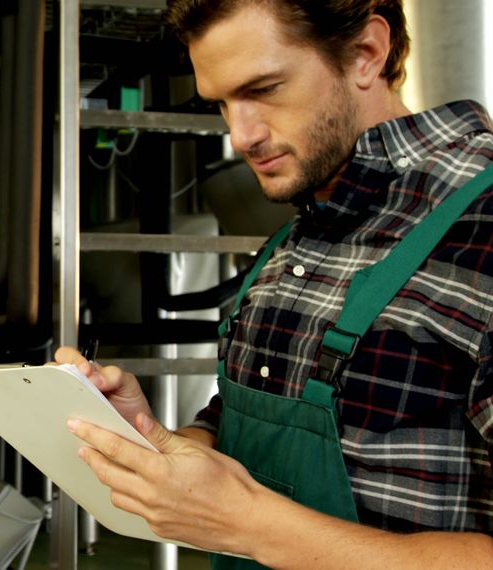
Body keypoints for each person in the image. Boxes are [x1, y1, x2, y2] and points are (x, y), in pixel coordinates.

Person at [55, 1, 493, 568]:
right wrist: (154, 445)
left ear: (366, 54)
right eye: (222, 103)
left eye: (263, 89)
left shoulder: (479, 225)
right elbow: (248, 422)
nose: (241, 135)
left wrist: (248, 523)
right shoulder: (302, 231)